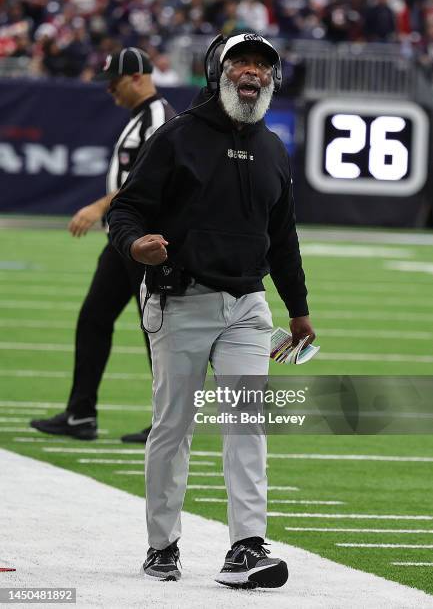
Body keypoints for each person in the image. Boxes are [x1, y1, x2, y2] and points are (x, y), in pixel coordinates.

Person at [107, 33, 315, 589]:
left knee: (247, 424)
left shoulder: (272, 146)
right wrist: (135, 246)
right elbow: (126, 208)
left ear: (273, 77)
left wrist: (297, 309)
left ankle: (246, 546)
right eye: (241, 62)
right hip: (181, 300)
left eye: (262, 65)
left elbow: (283, 236)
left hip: (249, 305)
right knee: (173, 427)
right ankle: (161, 544)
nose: (253, 73)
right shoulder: (177, 137)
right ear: (216, 70)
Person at [30, 47, 176, 443]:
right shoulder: (139, 118)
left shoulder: (160, 119)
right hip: (124, 241)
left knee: (157, 332)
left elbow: (146, 182)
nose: (109, 90)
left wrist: (98, 206)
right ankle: (80, 415)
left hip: (146, 241)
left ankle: (168, 423)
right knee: (94, 319)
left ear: (137, 78)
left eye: (113, 82)